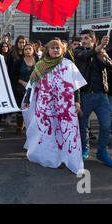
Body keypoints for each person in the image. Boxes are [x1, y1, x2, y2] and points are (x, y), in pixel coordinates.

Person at [22, 39, 86, 174]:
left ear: (62, 50)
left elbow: (75, 85)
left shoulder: (68, 64)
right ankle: (49, 158)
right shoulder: (40, 65)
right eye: (53, 48)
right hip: (45, 105)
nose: (56, 50)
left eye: (58, 48)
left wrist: (77, 101)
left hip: (64, 105)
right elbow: (31, 84)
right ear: (47, 50)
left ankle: (65, 157)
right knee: (47, 132)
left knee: (64, 130)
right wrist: (27, 99)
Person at [74, 31, 112, 167]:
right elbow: (85, 55)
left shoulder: (101, 52)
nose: (83, 41)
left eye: (86, 38)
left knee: (106, 125)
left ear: (93, 40)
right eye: (82, 39)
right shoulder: (79, 51)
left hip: (101, 95)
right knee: (83, 126)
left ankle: (102, 152)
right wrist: (98, 48)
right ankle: (84, 149)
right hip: (85, 95)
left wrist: (103, 56)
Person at [11, 43, 38, 135]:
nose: (27, 51)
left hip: (35, 87)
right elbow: (13, 75)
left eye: (29, 49)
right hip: (21, 88)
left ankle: (31, 127)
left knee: (33, 108)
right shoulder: (18, 62)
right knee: (21, 107)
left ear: (33, 50)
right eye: (26, 49)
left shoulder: (38, 61)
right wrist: (23, 83)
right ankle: (19, 126)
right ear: (23, 51)